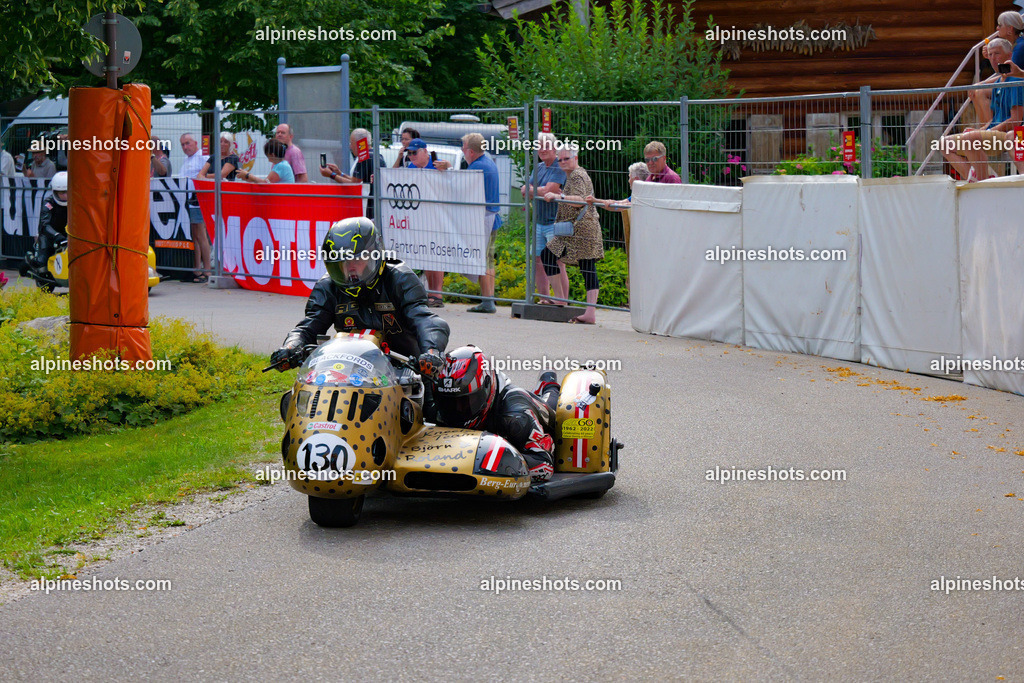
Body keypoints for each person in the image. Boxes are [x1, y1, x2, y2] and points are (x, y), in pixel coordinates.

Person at [271, 217, 450, 416]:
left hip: (407, 374)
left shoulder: (400, 279)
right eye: (343, 263)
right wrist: (291, 347)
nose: (351, 268)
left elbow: (427, 321)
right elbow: (307, 327)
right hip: (352, 376)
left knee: (438, 416)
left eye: (357, 259)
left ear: (375, 255)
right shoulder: (328, 286)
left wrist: (432, 352)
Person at [428, 345, 560, 483]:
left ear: (485, 389)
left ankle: (548, 382)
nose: (456, 411)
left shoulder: (516, 418)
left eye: (465, 403)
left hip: (537, 412)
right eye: (448, 403)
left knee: (556, 405)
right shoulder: (438, 410)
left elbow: (544, 463)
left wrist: (503, 462)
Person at [942, 38, 1024, 181]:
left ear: (1010, 55)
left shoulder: (1014, 81)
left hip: (1011, 134)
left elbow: (1015, 121)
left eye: (997, 54)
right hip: (1001, 134)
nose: (993, 58)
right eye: (990, 54)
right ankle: (978, 178)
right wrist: (981, 130)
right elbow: (995, 119)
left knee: (970, 138)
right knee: (944, 143)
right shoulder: (999, 81)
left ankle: (982, 183)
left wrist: (987, 131)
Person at [543, 148, 604, 325]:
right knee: (551, 255)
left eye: (566, 159)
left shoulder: (577, 175)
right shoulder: (574, 175)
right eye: (560, 160)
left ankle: (584, 309)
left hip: (582, 229)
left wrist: (558, 195)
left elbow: (580, 201)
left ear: (575, 158)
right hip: (575, 230)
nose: (562, 162)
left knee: (587, 266)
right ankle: (562, 299)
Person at [523, 133, 567, 305]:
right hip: (539, 222)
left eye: (546, 146)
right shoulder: (539, 167)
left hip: (555, 222)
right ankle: (545, 298)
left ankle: (562, 301)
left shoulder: (559, 167)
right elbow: (524, 189)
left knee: (558, 261)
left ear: (555, 148)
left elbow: (553, 188)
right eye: (539, 146)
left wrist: (533, 189)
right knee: (538, 260)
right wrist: (538, 190)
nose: (542, 150)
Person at [462, 133, 503, 314]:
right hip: (491, 218)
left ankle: (488, 301)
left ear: (470, 151)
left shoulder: (477, 168)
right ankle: (488, 299)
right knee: (488, 260)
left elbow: (461, 189)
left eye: (463, 148)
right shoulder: (488, 163)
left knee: (483, 260)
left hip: (484, 219)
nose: (462, 151)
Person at [404, 138, 447, 307]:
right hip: (420, 218)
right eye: (410, 153)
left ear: (424, 151)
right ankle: (431, 292)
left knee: (437, 256)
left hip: (438, 217)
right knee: (427, 256)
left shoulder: (437, 164)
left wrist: (448, 167)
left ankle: (438, 293)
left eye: (415, 152)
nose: (412, 156)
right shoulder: (411, 168)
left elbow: (452, 178)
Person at [586, 161, 649, 258]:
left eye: (629, 177)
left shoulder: (643, 196)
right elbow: (619, 203)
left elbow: (619, 206)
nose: (628, 181)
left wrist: (596, 201)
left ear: (635, 179)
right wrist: (597, 201)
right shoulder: (638, 194)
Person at [320, 128, 385, 219]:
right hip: (376, 207)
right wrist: (339, 173)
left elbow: (354, 184)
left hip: (369, 209)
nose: (350, 147)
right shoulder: (376, 155)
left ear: (360, 143)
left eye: (351, 143)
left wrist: (332, 175)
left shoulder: (365, 157)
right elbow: (356, 180)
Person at [179, 133, 211, 283]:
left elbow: (208, 176)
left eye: (187, 143)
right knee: (195, 236)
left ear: (195, 142)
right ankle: (197, 269)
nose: (185, 147)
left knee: (201, 235)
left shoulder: (202, 157)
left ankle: (208, 271)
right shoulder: (187, 160)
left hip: (198, 201)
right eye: (183, 145)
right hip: (189, 202)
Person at [26, 171, 68, 274]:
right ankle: (29, 259)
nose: (66, 195)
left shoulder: (77, 201)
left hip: (68, 234)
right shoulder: (48, 203)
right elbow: (44, 224)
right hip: (49, 235)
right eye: (62, 193)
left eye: (67, 191)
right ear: (55, 192)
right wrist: (56, 235)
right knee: (41, 265)